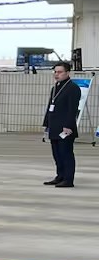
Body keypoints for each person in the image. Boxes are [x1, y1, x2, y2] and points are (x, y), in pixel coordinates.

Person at [42, 60, 80, 188]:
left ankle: (68, 179)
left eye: (60, 72)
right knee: (57, 154)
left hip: (65, 128)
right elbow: (50, 107)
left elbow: (72, 110)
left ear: (67, 73)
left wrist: (68, 126)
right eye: (55, 72)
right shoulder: (55, 88)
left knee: (66, 153)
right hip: (54, 126)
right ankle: (60, 176)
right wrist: (46, 124)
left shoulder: (73, 88)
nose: (56, 74)